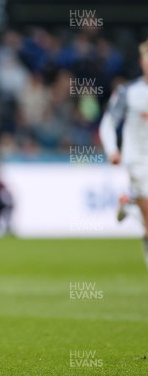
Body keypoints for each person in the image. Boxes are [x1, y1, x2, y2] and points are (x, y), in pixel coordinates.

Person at [99, 38, 148, 269]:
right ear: (142, 62)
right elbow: (108, 123)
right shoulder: (129, 92)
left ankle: (129, 205)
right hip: (137, 161)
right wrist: (112, 150)